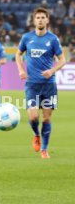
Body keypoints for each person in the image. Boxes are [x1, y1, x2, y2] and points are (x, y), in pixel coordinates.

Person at [15, 8, 66, 159]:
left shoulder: (53, 39)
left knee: (46, 118)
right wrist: (20, 69)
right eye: (38, 18)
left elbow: (62, 59)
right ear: (34, 20)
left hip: (49, 84)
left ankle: (44, 148)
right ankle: (36, 134)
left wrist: (52, 70)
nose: (40, 20)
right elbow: (18, 54)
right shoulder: (26, 38)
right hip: (32, 84)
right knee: (33, 117)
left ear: (47, 20)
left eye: (43, 17)